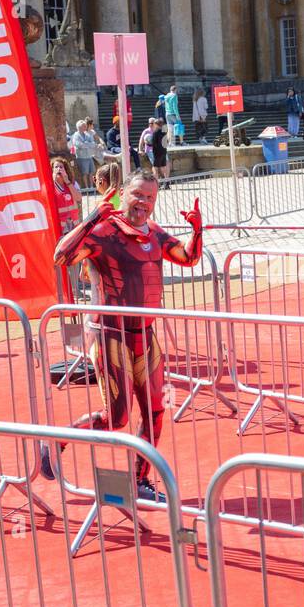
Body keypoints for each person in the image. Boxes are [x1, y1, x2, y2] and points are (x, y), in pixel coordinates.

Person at [52, 170, 204, 502]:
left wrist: (196, 229)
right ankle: (57, 440)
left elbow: (188, 257)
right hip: (109, 334)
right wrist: (93, 216)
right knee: (116, 418)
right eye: (138, 195)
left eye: (150, 198)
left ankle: (140, 482)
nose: (144, 204)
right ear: (124, 194)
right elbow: (61, 257)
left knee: (154, 411)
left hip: (144, 335)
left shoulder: (155, 233)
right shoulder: (104, 230)